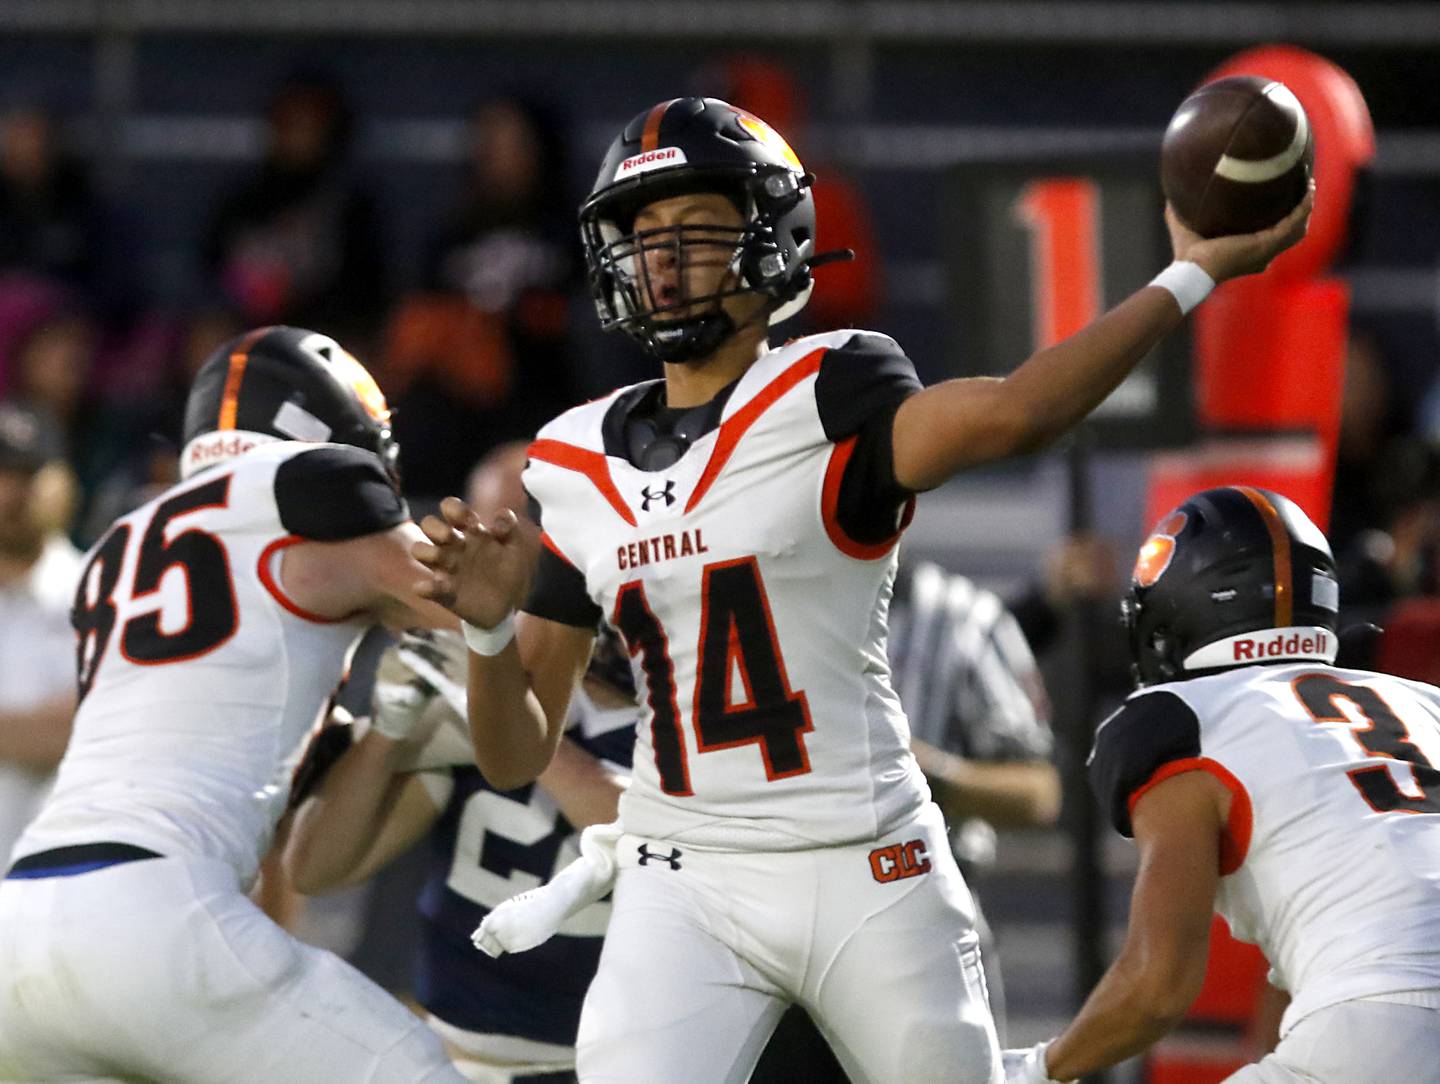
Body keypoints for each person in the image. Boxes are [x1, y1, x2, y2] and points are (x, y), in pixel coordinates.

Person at [411, 96, 1312, 1084]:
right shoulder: (572, 459)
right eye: (641, 234)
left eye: (693, 228)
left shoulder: (829, 390)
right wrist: (490, 631)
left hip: (866, 859)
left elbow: (1013, 413)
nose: (661, 258)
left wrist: (1190, 273)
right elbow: (514, 748)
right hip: (687, 875)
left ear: (769, 239)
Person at [0, 326, 466, 1082]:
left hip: (18, 924)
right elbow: (479, 608)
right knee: (413, 1068)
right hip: (151, 914)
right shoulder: (313, 490)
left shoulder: (119, 543)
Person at [1003, 486, 1440, 1084]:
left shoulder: (1187, 717)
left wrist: (1036, 1070)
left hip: (1379, 1028)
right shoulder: (1422, 703)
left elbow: (1158, 985)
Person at [284, 446, 636, 1083]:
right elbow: (316, 868)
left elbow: (648, 836)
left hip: (609, 1063)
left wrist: (508, 721)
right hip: (451, 1058)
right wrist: (387, 736)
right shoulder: (461, 690)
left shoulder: (684, 696)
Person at [0, 403, 82, 865]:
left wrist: (55, 731)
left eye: (31, 473)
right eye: (3, 474)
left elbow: (82, 733)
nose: (16, 492)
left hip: (50, 888)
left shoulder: (100, 593)